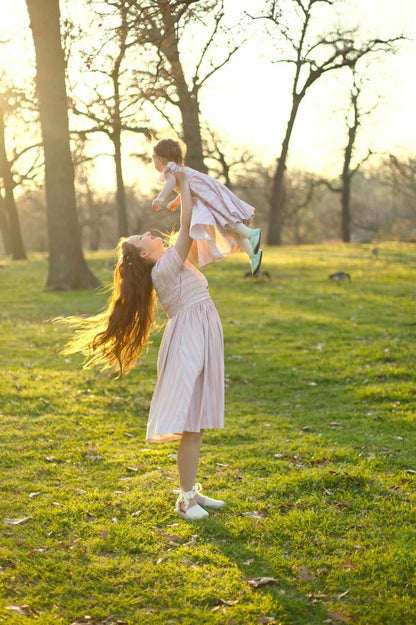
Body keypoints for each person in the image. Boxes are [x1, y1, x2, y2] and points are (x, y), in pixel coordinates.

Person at [61, 174, 225, 521]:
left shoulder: (172, 262)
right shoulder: (164, 269)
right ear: (147, 254)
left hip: (200, 333)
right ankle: (184, 500)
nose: (151, 234)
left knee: (195, 422)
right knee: (190, 421)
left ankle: (192, 491)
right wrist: (182, 186)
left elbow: (194, 227)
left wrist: (186, 192)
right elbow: (184, 227)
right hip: (188, 341)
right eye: (144, 238)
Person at [151, 138, 263, 275]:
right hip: (208, 194)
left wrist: (160, 198)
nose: (154, 162)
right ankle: (253, 255)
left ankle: (251, 234)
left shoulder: (169, 170)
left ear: (161, 159)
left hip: (207, 197)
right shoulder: (178, 168)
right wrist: (177, 201)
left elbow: (171, 182)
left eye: (153, 158)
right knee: (230, 229)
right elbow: (187, 187)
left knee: (226, 222)